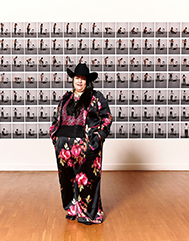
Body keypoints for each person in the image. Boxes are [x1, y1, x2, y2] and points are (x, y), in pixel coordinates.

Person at [49, 63, 113, 225]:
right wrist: (54, 136)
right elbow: (57, 118)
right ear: (73, 79)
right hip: (64, 146)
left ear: (87, 81)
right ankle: (73, 208)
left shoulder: (96, 97)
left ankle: (88, 213)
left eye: (83, 79)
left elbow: (106, 118)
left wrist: (97, 138)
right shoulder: (66, 97)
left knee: (87, 180)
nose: (80, 82)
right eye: (77, 78)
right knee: (67, 180)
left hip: (87, 145)